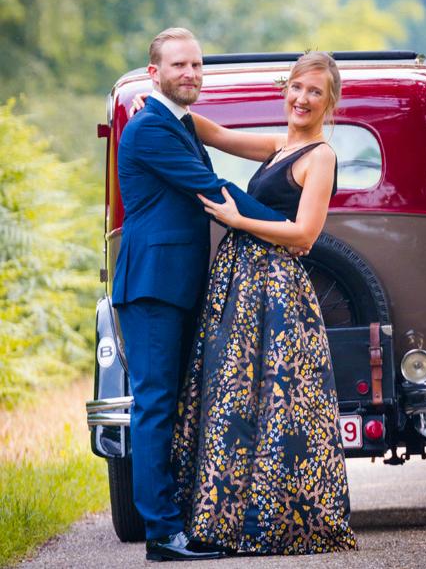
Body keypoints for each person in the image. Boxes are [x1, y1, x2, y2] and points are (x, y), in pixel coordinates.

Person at [112, 27, 292, 563]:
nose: (190, 73)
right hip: (152, 287)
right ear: (155, 73)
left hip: (178, 285)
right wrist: (290, 230)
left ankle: (183, 521)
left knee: (178, 405)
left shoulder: (179, 121)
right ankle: (162, 535)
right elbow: (213, 191)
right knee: (155, 407)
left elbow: (229, 148)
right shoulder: (151, 128)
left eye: (196, 64)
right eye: (178, 65)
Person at [168, 51, 358, 555]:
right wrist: (164, 107)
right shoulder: (279, 146)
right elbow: (217, 135)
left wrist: (238, 219)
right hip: (241, 280)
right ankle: (223, 518)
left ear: (329, 103)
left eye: (315, 92)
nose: (302, 99)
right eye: (297, 87)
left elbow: (305, 233)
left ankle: (267, 521)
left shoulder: (320, 156)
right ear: (285, 89)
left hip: (274, 286)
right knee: (234, 397)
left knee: (274, 402)